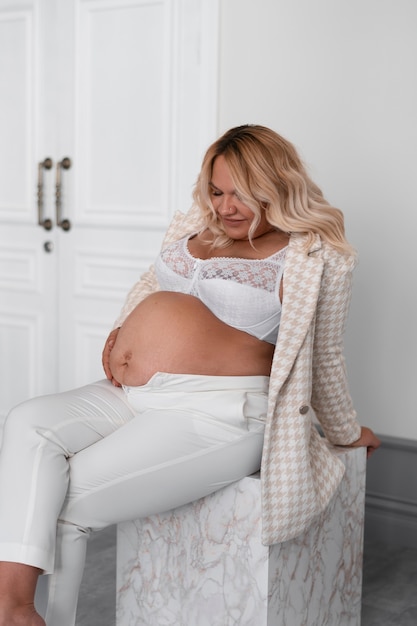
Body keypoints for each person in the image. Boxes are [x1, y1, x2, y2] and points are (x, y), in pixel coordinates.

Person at [0, 124, 380, 626]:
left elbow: (325, 355)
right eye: (217, 191)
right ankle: (14, 607)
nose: (225, 206)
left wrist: (347, 434)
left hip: (218, 411)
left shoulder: (313, 257)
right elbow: (151, 284)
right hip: (137, 394)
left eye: (242, 193)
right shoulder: (193, 228)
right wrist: (121, 332)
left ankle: (37, 615)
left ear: (277, 186)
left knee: (68, 499)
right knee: (28, 421)